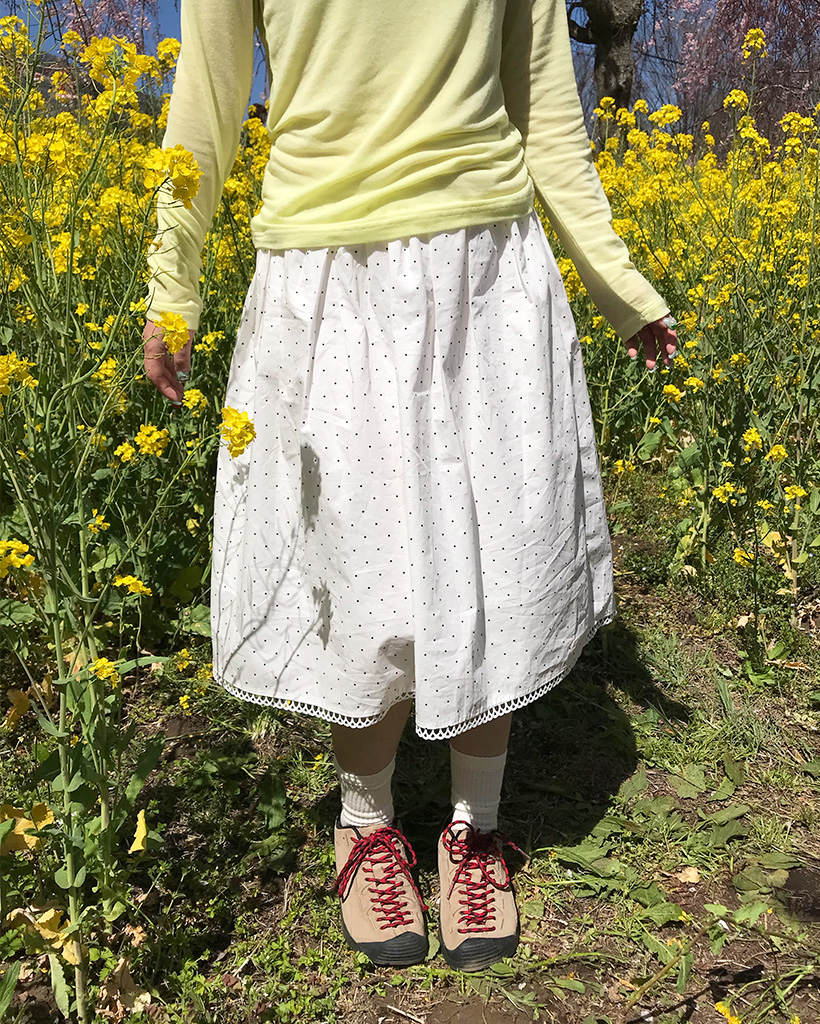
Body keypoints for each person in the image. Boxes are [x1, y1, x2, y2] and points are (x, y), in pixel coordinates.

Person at [142, 0, 677, 973]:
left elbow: (543, 103)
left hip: (488, 268)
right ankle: (365, 822)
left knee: (495, 559)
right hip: (326, 273)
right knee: (355, 574)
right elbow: (206, 99)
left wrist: (615, 280)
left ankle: (476, 826)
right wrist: (172, 287)